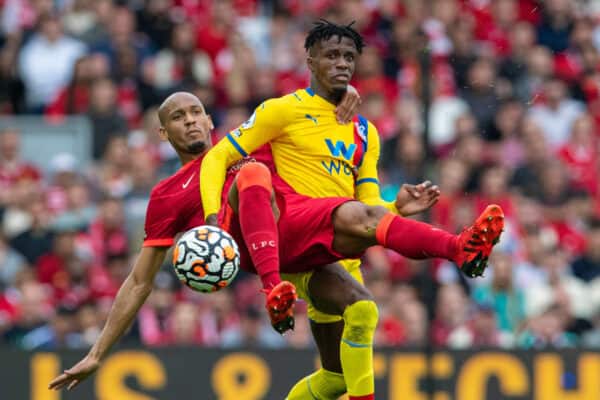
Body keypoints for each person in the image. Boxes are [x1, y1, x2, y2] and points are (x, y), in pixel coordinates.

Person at [200, 20, 504, 400]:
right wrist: (212, 220)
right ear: (310, 60)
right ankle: (460, 248)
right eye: (331, 55)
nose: (342, 63)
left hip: (324, 254)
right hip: (285, 233)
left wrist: (395, 207)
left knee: (345, 353)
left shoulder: (365, 133)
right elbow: (218, 157)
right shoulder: (283, 110)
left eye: (348, 56)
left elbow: (369, 209)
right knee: (256, 173)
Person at [46, 89, 362, 391]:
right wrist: (97, 353)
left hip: (308, 243)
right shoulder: (167, 195)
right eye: (178, 116)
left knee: (356, 324)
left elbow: (304, 114)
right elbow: (140, 281)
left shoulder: (250, 144)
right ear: (163, 133)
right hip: (267, 287)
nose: (190, 120)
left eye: (196, 112)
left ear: (210, 120)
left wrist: (340, 95)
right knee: (339, 372)